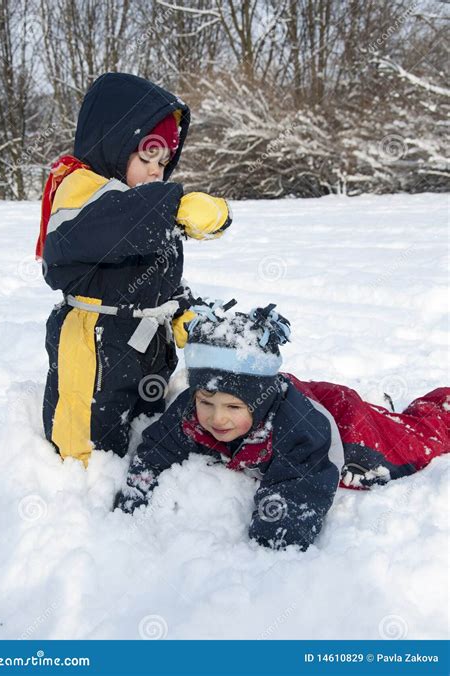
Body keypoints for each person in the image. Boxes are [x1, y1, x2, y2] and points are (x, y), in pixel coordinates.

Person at [114, 303, 449, 551]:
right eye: (207, 403)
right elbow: (156, 452)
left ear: (259, 403)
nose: (217, 418)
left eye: (233, 407)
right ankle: (379, 404)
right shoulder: (191, 409)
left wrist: (274, 541)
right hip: (309, 395)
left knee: (417, 444)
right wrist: (134, 498)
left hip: (346, 428)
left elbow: (299, 485)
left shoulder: (295, 428)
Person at [37, 73, 231, 466]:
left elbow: (162, 274)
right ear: (112, 142)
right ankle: (80, 489)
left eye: (164, 162)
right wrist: (172, 206)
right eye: (146, 158)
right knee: (93, 436)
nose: (157, 171)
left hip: (148, 341)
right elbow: (109, 227)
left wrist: (182, 312)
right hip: (96, 346)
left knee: (146, 422)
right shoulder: (79, 188)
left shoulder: (147, 208)